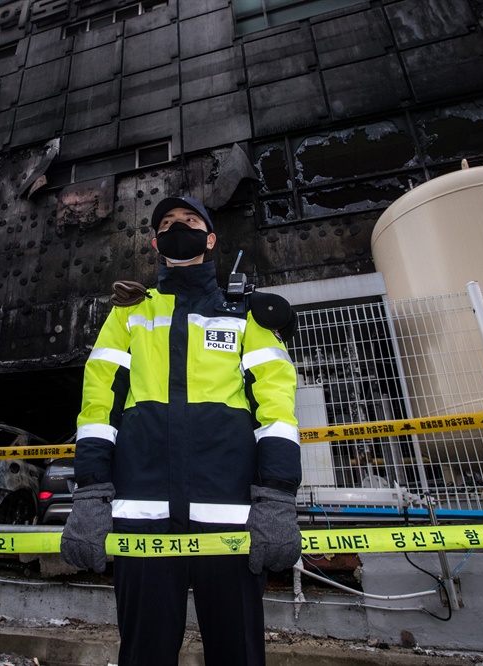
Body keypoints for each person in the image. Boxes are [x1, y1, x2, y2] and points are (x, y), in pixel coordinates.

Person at [60, 195, 302, 666]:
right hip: (143, 520)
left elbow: (276, 410)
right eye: (167, 223)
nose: (177, 227)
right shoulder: (128, 314)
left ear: (209, 239)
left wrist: (277, 498)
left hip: (231, 519)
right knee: (144, 655)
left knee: (239, 654)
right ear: (155, 243)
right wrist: (90, 495)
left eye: (189, 221)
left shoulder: (246, 314)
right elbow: (97, 407)